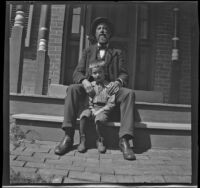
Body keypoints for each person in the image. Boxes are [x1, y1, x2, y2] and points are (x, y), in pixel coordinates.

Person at [54, 17, 136, 160]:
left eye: (105, 29)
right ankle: (68, 136)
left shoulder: (117, 52)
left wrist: (118, 82)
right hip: (90, 91)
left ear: (109, 33)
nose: (102, 31)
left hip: (110, 91)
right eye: (99, 28)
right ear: (95, 34)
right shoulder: (88, 51)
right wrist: (84, 81)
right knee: (72, 88)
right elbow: (77, 73)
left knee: (129, 94)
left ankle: (124, 141)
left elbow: (124, 73)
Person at [77, 61, 116, 153]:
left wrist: (99, 111)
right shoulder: (90, 86)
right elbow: (88, 101)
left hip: (104, 109)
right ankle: (83, 140)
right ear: (91, 74)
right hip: (92, 108)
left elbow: (111, 103)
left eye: (100, 72)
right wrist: (92, 109)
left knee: (99, 119)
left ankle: (100, 140)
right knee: (84, 116)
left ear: (104, 72)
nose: (98, 75)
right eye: (95, 73)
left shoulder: (110, 86)